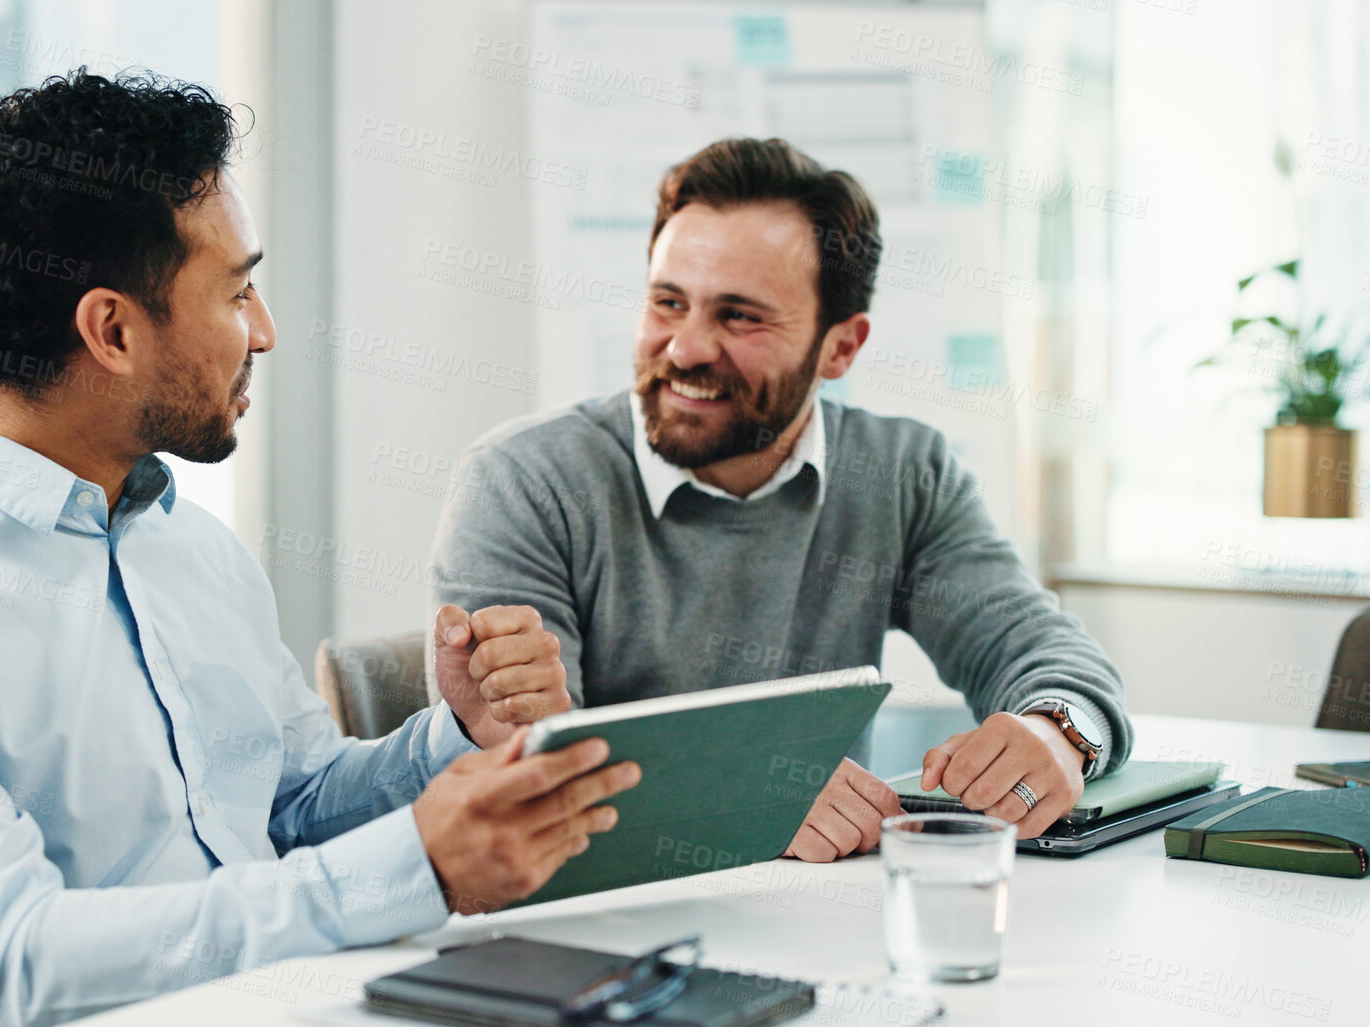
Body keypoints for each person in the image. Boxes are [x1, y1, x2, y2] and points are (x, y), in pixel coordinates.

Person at [0, 70, 636, 1027]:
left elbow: (291, 804)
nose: (264, 330)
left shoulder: (188, 548)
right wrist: (412, 866)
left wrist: (449, 738)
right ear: (112, 329)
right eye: (237, 291)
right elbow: (8, 961)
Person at [429, 137, 1129, 861]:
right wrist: (735, 799)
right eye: (668, 302)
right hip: (604, 931)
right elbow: (521, 776)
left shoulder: (901, 471)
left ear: (840, 348)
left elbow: (1035, 646)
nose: (686, 348)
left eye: (739, 316)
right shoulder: (523, 481)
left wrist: (1056, 730)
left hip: (821, 912)